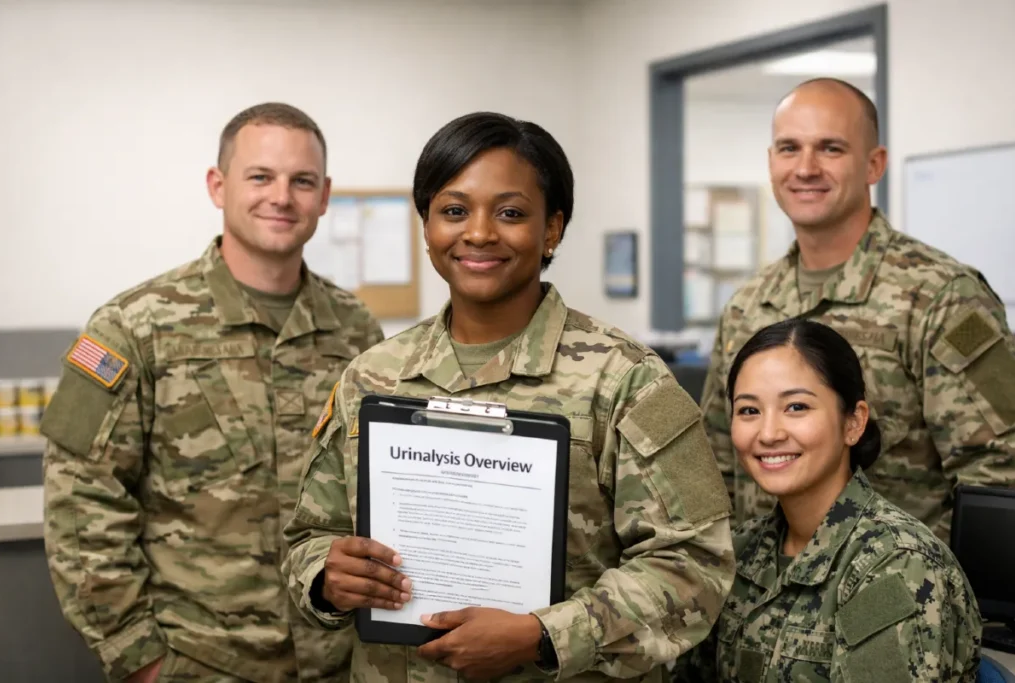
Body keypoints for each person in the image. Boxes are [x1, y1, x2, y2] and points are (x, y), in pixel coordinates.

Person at [281, 111, 735, 683]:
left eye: (511, 213)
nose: (478, 233)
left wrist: (543, 636)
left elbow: (697, 564)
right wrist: (327, 576)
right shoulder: (372, 377)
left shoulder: (626, 380)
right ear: (427, 227)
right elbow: (308, 537)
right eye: (453, 211)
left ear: (552, 230)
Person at [40, 102, 384, 683]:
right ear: (217, 186)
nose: (282, 196)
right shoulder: (134, 325)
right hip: (198, 662)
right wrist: (138, 660)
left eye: (301, 181)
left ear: (324, 197)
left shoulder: (356, 329)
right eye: (260, 176)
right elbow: (81, 506)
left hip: (337, 659)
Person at [700, 77, 1015, 541]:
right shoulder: (748, 306)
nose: (805, 168)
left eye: (830, 149)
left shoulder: (941, 297)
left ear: (874, 164)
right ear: (771, 162)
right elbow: (717, 465)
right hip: (763, 598)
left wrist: (928, 585)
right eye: (789, 148)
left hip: (892, 598)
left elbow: (999, 471)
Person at [678, 318, 982, 682]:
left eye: (796, 407)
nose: (769, 433)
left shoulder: (895, 566)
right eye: (749, 411)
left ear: (854, 423)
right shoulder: (741, 552)